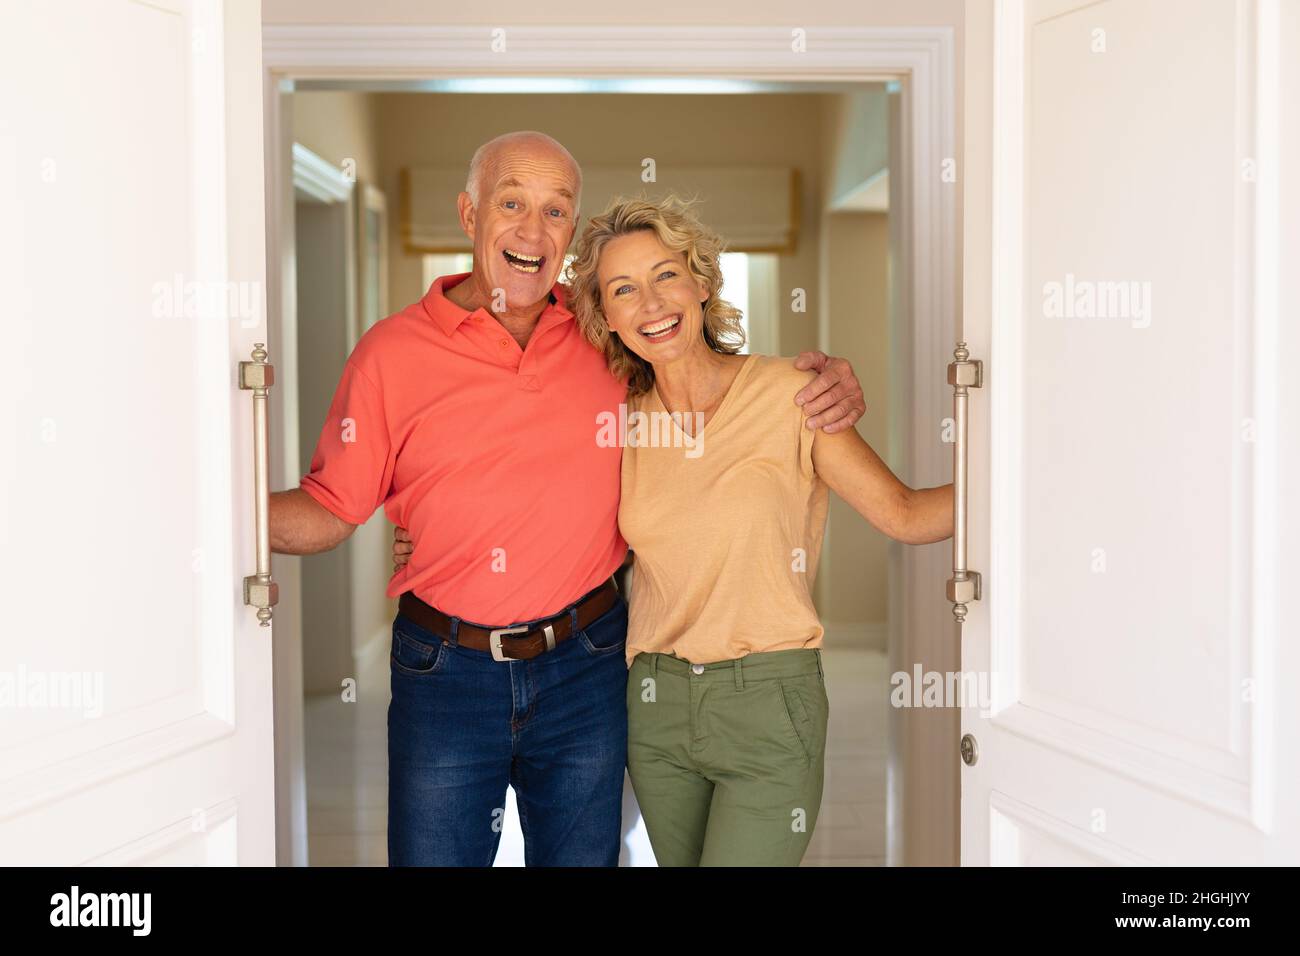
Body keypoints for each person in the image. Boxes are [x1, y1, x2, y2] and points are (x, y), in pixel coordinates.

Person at [269, 130, 867, 867]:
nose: (532, 229)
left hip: (585, 664)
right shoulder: (389, 353)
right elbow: (330, 509)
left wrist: (828, 385)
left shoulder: (604, 334)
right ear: (468, 213)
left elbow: (710, 390)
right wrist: (207, 512)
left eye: (556, 211)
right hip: (444, 672)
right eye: (511, 203)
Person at [395, 192, 953, 866]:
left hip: (770, 697)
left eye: (666, 275)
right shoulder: (615, 418)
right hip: (654, 705)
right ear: (605, 317)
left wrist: (1044, 489)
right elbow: (516, 481)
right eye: (624, 289)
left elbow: (910, 514)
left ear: (703, 281)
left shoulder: (791, 396)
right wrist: (429, 535)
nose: (652, 304)